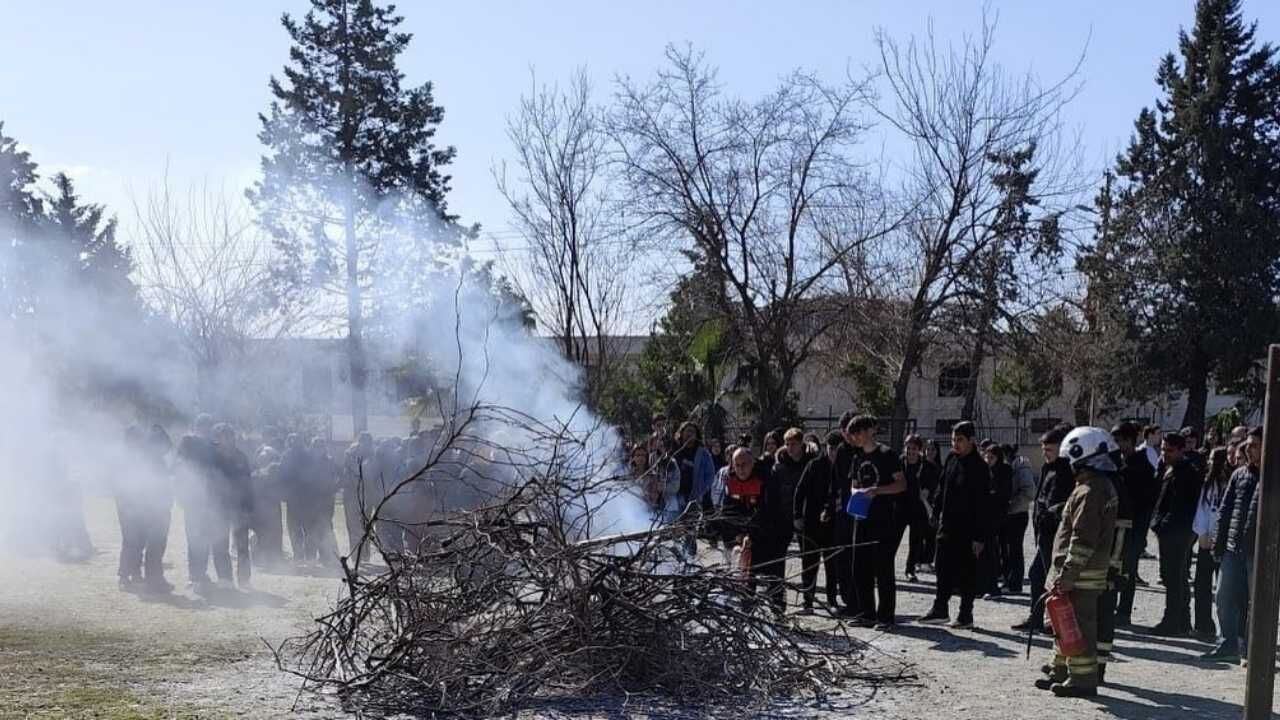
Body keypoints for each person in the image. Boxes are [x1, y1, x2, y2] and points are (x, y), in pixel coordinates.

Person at [1034, 427, 1118, 698]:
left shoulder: (1090, 490)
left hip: (1080, 575)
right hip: (1078, 573)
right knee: (1064, 622)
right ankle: (1061, 669)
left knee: (1078, 626)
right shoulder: (1093, 486)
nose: (1067, 464)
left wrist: (1068, 573)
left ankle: (1082, 680)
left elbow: (1083, 538)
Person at [919, 421, 992, 629]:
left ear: (971, 440)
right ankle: (940, 608)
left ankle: (965, 615)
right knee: (942, 567)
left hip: (968, 529)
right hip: (947, 525)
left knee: (967, 572)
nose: (955, 444)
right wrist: (935, 511)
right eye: (953, 440)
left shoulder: (979, 467)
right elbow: (942, 487)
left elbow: (983, 505)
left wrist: (979, 537)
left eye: (960, 440)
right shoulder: (952, 459)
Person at [1203, 427, 1262, 662]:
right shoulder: (1239, 475)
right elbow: (1225, 510)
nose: (1248, 449)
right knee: (1223, 596)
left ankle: (1251, 649)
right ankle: (1228, 644)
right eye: (1248, 444)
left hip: (1258, 552)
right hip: (1233, 547)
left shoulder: (1272, 475)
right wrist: (1219, 542)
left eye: (1254, 445)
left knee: (1255, 602)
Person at [1013, 425, 1075, 632]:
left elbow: (1064, 504)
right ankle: (1037, 618)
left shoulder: (1066, 471)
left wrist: (1051, 514)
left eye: (1049, 449)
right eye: (1043, 449)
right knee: (1037, 576)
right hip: (1044, 534)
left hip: (1057, 536)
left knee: (1053, 580)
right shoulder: (1048, 468)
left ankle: (1059, 623)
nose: (1045, 454)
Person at [847, 416, 907, 628]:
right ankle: (866, 613)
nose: (855, 438)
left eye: (858, 433)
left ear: (869, 431)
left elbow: (901, 484)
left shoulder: (887, 454)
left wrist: (877, 491)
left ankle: (886, 616)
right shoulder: (857, 457)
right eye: (853, 434)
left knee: (883, 568)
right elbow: (854, 483)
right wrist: (856, 493)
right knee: (860, 566)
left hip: (883, 518)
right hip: (861, 517)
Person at [1146, 431, 1201, 637]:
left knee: (1174, 578)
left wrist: (1162, 526)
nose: (1165, 454)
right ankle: (1182, 621)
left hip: (1177, 532)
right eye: (1163, 450)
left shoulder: (1187, 473)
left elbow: (1179, 506)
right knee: (1174, 577)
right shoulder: (1169, 468)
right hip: (1170, 531)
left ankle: (1173, 621)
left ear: (1180, 450)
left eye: (1169, 450)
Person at [794, 430, 843, 614]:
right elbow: (800, 491)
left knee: (832, 564)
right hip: (811, 522)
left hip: (833, 523)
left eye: (837, 449)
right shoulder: (814, 465)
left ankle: (832, 600)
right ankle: (808, 602)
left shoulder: (844, 467)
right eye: (831, 448)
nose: (833, 452)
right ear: (825, 447)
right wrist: (797, 516)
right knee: (809, 563)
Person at [1114, 422, 1157, 625]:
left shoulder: (1142, 467)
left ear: (1130, 441)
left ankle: (1124, 612)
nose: (1117, 445)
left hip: (1133, 529)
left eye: (1119, 440)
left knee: (1128, 571)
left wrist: (1139, 535)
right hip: (1116, 526)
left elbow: (1146, 503)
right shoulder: (1117, 463)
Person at [177, 414, 221, 591]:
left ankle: (201, 573)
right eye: (202, 426)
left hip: (210, 500)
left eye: (208, 426)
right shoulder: (188, 441)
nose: (205, 429)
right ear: (197, 426)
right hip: (193, 499)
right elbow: (180, 467)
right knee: (194, 538)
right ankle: (194, 576)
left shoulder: (214, 446)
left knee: (205, 538)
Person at [1191, 447, 1231, 641]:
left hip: (1223, 542)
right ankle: (1203, 625)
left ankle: (1227, 630)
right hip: (1206, 540)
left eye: (1213, 459)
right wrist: (1201, 532)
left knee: (1224, 589)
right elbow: (1202, 509)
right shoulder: (1207, 484)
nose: (1209, 462)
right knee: (1202, 585)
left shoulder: (1230, 483)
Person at [213, 424, 254, 589]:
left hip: (239, 506)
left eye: (230, 436)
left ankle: (244, 579)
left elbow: (248, 483)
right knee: (220, 543)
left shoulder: (241, 457)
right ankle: (225, 578)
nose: (228, 439)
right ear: (218, 438)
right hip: (220, 506)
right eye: (224, 436)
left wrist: (249, 506)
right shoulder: (213, 457)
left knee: (242, 545)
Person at [674, 421, 717, 556]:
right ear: (681, 434)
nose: (689, 433)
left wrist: (701, 492)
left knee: (690, 530)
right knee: (676, 530)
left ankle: (690, 558)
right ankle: (678, 557)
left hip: (694, 498)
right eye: (687, 431)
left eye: (692, 431)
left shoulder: (703, 453)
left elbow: (710, 475)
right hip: (676, 496)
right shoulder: (676, 451)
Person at [902, 434, 940, 583]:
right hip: (900, 507)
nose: (910, 451)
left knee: (915, 541)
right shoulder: (899, 462)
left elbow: (932, 484)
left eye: (914, 448)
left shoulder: (928, 467)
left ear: (919, 450)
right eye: (908, 448)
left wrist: (927, 490)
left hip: (918, 509)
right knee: (891, 540)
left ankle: (910, 570)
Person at [979, 441, 1013, 599]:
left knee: (993, 552)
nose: (988, 460)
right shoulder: (986, 471)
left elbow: (1002, 494)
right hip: (986, 516)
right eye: (986, 457)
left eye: (991, 457)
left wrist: (988, 496)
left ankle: (993, 586)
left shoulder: (1004, 471)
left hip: (997, 517)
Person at [1002, 443, 1037, 594]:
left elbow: (1029, 492)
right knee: (1008, 550)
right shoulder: (1011, 466)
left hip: (1017, 514)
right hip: (1010, 513)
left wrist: (1011, 506)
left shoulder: (1021, 467)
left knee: (1015, 550)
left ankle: (1015, 584)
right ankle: (1009, 581)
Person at [342, 432, 375, 560]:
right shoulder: (350, 454)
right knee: (354, 526)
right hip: (352, 494)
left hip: (366, 494)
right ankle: (357, 556)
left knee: (365, 526)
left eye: (368, 443)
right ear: (360, 442)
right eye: (364, 443)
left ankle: (364, 555)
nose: (366, 446)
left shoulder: (371, 454)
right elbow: (355, 472)